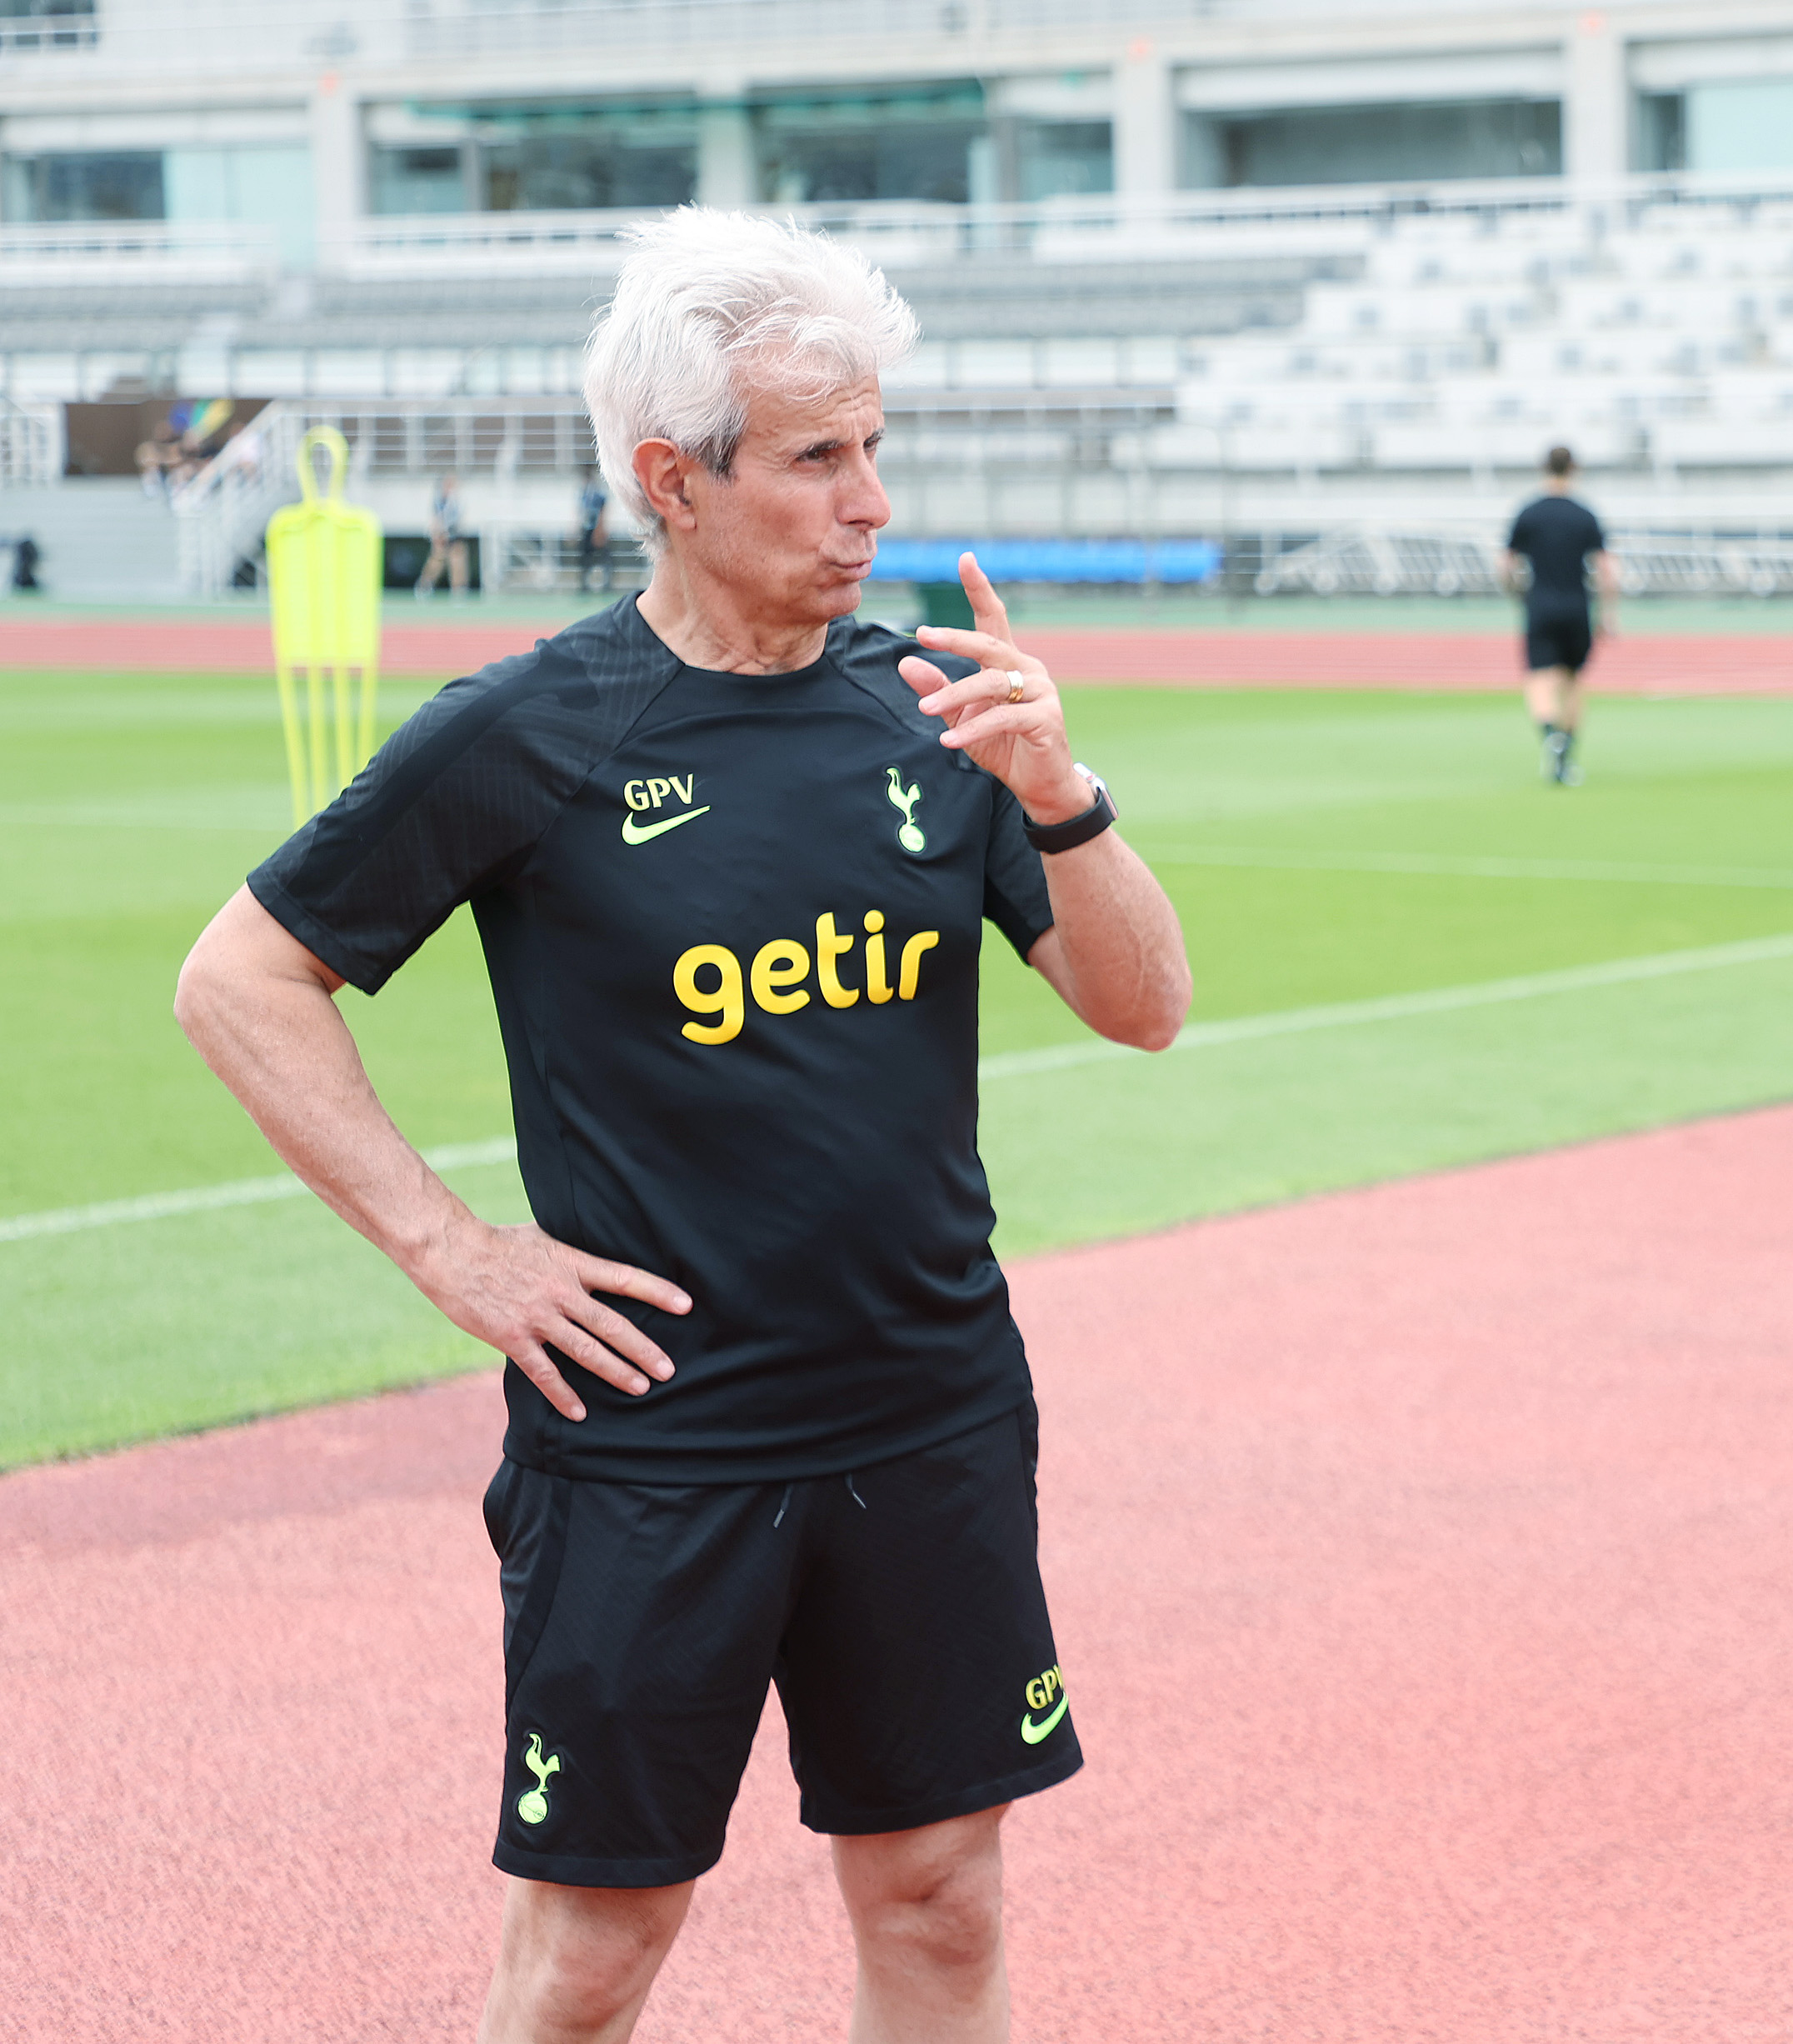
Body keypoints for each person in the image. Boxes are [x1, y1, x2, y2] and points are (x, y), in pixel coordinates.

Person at [172, 207, 1192, 2043]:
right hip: (654, 1450)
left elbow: (1144, 1007)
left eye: (874, 446)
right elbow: (240, 978)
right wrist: (450, 1245)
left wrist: (1062, 789)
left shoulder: (928, 708)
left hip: (929, 1408)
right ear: (675, 479)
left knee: (942, 1901)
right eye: (818, 456)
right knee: (592, 1956)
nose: (870, 499)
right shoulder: (530, 732)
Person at [1500, 445, 1620, 786]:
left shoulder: (1529, 512)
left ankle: (1550, 734)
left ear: (1543, 467)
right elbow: (1606, 568)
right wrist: (1608, 613)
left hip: (1540, 604)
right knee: (1572, 682)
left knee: (1539, 679)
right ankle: (1565, 755)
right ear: (1574, 468)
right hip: (1577, 605)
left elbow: (1506, 563)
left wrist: (1515, 594)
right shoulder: (1584, 514)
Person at [417, 471, 465, 597]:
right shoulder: (439, 499)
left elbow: (457, 517)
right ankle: (425, 585)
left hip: (453, 533)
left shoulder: (455, 500)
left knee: (457, 562)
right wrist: (439, 532)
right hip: (441, 533)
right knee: (436, 560)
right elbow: (437, 518)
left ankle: (458, 589)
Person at [577, 467, 613, 592]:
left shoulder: (597, 493)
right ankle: (584, 585)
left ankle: (607, 584)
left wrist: (600, 529)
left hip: (596, 528)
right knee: (584, 557)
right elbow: (581, 512)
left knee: (604, 557)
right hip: (587, 529)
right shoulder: (583, 493)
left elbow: (602, 510)